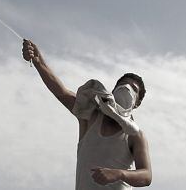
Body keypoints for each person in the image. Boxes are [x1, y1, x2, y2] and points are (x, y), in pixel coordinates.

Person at [22, 39, 153, 189]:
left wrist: (119, 174)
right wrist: (38, 62)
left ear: (137, 103)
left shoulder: (135, 135)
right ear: (113, 90)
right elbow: (61, 92)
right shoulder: (91, 115)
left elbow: (146, 176)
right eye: (122, 84)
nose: (127, 88)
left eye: (133, 89)